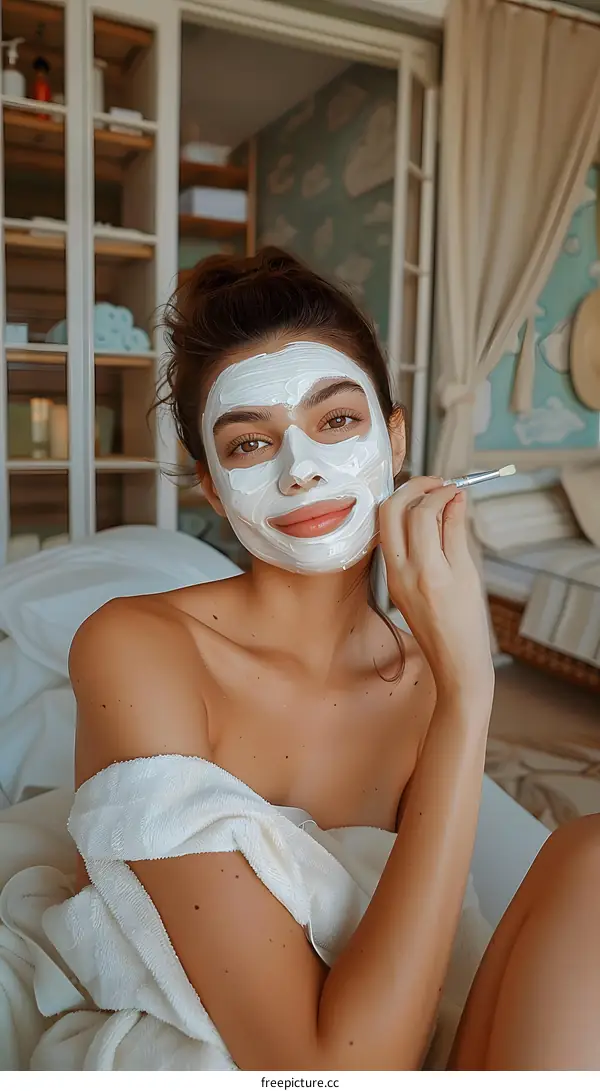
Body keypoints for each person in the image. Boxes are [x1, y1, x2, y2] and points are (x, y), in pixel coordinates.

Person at [68, 249, 600, 1071]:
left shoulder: (424, 679)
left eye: (337, 421)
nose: (301, 468)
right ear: (211, 488)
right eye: (250, 442)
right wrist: (469, 694)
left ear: (394, 436)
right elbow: (329, 1071)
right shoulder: (136, 649)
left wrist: (457, 681)